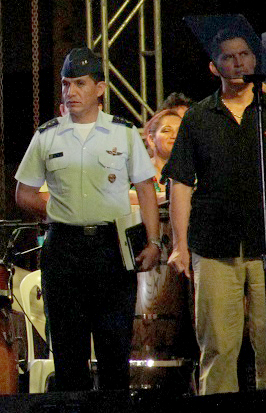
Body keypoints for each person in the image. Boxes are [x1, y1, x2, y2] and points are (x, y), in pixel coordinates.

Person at [162, 27, 266, 394]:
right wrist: (180, 245)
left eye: (244, 55)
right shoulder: (198, 117)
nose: (237, 63)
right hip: (214, 245)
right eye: (228, 57)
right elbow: (180, 183)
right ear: (214, 66)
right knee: (217, 346)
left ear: (255, 60)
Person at [14, 47, 161, 391]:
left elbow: (145, 188)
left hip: (111, 248)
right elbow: (23, 193)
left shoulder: (124, 133)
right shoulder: (47, 134)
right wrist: (56, 211)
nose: (71, 91)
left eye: (80, 83)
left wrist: (154, 241)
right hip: (63, 248)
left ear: (100, 88)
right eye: (66, 84)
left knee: (114, 350)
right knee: (68, 353)